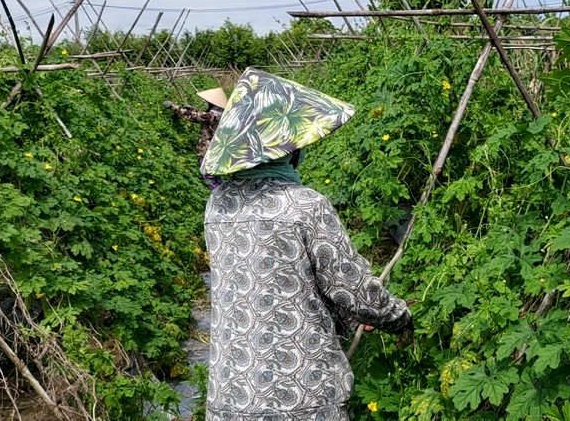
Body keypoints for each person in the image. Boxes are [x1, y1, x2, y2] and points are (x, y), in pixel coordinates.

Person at [201, 68, 413, 421]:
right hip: (300, 396)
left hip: (232, 395)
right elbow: (353, 291)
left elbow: (276, 284)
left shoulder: (218, 205)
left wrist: (346, 314)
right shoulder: (303, 205)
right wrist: (397, 317)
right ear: (283, 150)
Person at [165, 87, 228, 189]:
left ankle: (217, 196)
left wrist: (174, 107)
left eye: (208, 102)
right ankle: (223, 191)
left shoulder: (213, 115)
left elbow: (196, 117)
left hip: (208, 149)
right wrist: (191, 109)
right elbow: (201, 114)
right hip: (217, 148)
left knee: (208, 176)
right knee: (215, 175)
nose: (206, 103)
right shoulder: (222, 113)